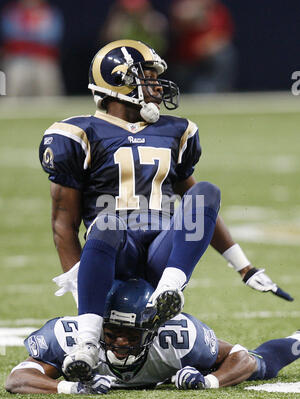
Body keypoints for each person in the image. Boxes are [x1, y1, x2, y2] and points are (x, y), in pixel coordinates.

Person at [38, 39, 293, 381]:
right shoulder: (76, 134)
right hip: (114, 252)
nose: (156, 83)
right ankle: (86, 342)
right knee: (108, 223)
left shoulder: (177, 132)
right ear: (118, 81)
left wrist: (243, 266)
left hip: (163, 252)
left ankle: (168, 291)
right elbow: (63, 225)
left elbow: (199, 209)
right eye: (147, 76)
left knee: (206, 191)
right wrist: (81, 293)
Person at [5, 278, 300, 395]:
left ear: (152, 330)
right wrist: (71, 388)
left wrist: (208, 381)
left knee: (262, 367)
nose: (120, 342)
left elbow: (243, 358)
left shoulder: (179, 337)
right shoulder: (74, 337)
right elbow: (17, 378)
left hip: (169, 367)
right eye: (112, 332)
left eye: (130, 334)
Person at [168, 0, 237, 93]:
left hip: (209, 59)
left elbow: (224, 36)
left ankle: (219, 89)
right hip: (186, 60)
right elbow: (179, 20)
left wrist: (209, 45)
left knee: (225, 55)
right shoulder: (184, 6)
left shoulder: (218, 10)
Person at [0, 0, 64, 96]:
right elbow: (10, 37)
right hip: (18, 59)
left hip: (43, 59)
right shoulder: (12, 12)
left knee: (46, 76)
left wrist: (32, 33)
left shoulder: (49, 13)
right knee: (15, 75)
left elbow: (53, 38)